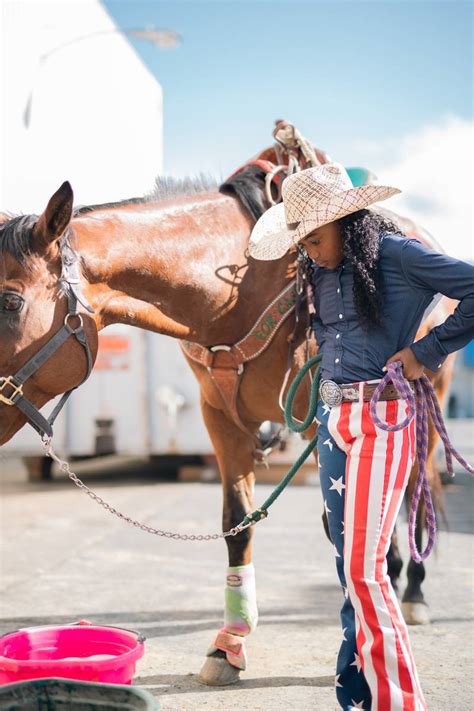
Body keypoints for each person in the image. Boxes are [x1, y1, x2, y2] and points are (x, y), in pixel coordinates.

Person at [248, 162, 474, 711]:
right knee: (346, 561)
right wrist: (325, 403)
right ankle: (356, 689)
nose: (309, 249)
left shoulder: (398, 255)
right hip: (335, 425)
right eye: (301, 240)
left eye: (316, 237)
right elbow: (330, 344)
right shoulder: (319, 272)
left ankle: (399, 701)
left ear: (347, 222)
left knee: (362, 567)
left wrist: (426, 352)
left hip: (386, 419)